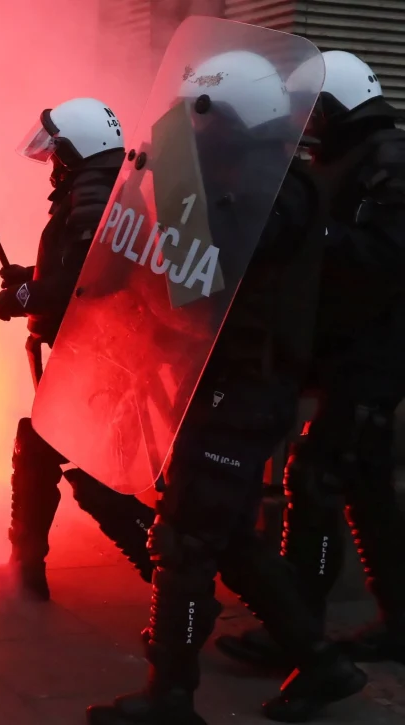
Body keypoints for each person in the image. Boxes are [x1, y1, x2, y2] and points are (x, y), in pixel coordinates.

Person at [85, 50, 367, 725]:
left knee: (183, 540)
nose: (190, 129)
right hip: (222, 382)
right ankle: (325, 663)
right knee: (233, 541)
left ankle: (171, 696)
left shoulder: (277, 189)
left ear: (225, 116)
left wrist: (180, 180)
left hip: (241, 390)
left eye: (197, 117)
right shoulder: (243, 175)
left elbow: (209, 269)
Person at [216, 50, 405, 670]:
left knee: (317, 478)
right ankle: (394, 622)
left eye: (310, 111)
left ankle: (297, 629)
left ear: (333, 107)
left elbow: (386, 257)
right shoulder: (344, 159)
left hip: (373, 354)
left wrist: (309, 232)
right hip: (349, 354)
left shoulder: (388, 157)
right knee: (364, 487)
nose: (303, 124)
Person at [0, 98, 155, 600]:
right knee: (49, 451)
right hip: (95, 353)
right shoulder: (107, 190)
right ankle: (25, 571)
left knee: (81, 467)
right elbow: (75, 270)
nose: (52, 164)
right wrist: (31, 277)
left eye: (56, 151)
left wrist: (22, 296)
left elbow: (83, 284)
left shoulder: (91, 199)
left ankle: (167, 575)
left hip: (92, 355)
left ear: (74, 151)